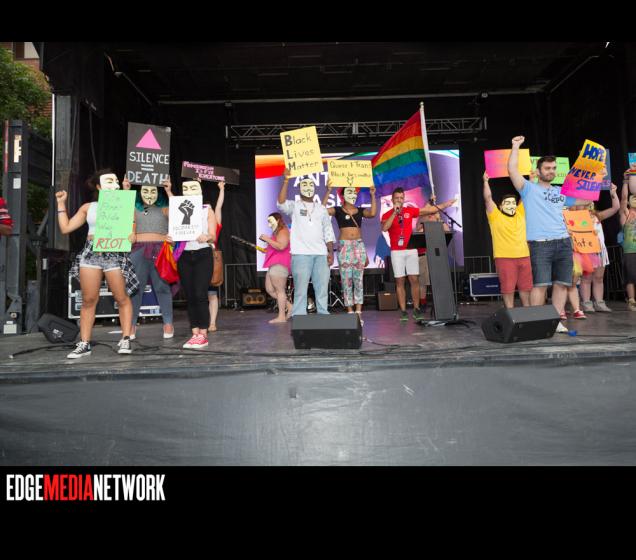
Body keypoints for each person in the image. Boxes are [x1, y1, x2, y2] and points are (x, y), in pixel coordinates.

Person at [56, 170, 138, 358]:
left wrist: (132, 234)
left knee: (121, 297)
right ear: (99, 187)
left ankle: (126, 338)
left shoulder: (125, 205)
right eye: (109, 181)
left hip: (114, 252)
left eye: (115, 181)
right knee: (88, 299)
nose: (114, 184)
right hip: (91, 252)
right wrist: (61, 203)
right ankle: (84, 343)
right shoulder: (88, 207)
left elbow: (132, 228)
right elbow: (65, 228)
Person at [507, 137, 572, 333]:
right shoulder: (528, 189)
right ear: (539, 170)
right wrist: (515, 146)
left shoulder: (561, 191)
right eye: (547, 168)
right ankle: (536, 323)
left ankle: (555, 321)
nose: (551, 171)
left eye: (554, 168)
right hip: (540, 244)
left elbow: (585, 199)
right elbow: (512, 170)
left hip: (564, 242)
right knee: (540, 285)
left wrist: (596, 177)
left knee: (562, 284)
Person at [380, 187, 456, 321]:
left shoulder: (409, 211)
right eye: (397, 198)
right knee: (400, 281)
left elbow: (428, 210)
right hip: (397, 252)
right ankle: (403, 311)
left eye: (401, 198)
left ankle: (416, 309)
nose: (399, 200)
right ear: (392, 200)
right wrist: (394, 213)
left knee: (414, 280)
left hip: (411, 249)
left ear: (404, 199)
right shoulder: (386, 214)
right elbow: (385, 228)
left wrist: (445, 204)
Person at [277, 169, 335, 316]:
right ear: (299, 188)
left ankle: (323, 315)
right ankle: (299, 317)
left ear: (315, 189)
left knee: (322, 289)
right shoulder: (295, 206)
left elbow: (328, 230)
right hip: (301, 254)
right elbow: (281, 203)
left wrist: (330, 252)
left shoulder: (321, 209)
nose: (308, 188)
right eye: (305, 185)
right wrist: (286, 180)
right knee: (301, 290)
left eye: (311, 185)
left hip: (321, 254)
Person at [167, 179, 217, 349]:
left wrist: (207, 236)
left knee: (200, 294)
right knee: (190, 295)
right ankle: (195, 333)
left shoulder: (207, 210)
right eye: (186, 188)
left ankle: (203, 333)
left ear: (200, 190)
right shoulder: (178, 208)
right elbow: (175, 230)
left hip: (203, 254)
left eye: (193, 187)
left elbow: (213, 236)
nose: (189, 191)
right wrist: (171, 239)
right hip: (184, 256)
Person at [322, 181, 377, 323]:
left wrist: (372, 195)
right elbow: (321, 210)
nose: (353, 194)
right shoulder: (338, 210)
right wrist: (328, 191)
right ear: (343, 195)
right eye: (349, 192)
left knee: (358, 280)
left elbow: (372, 213)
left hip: (358, 246)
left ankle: (358, 311)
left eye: (354, 192)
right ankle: (350, 311)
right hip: (344, 247)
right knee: (346, 280)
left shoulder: (360, 210)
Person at [128, 179, 174, 340]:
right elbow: (121, 213)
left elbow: (179, 213)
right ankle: (130, 324)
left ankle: (168, 323)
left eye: (153, 191)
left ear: (158, 192)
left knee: (162, 287)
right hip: (137, 250)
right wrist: (126, 190)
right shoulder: (133, 208)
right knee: (135, 289)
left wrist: (169, 191)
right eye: (145, 191)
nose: (149, 194)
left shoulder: (164, 208)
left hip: (160, 250)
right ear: (139, 192)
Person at [482, 171, 531, 308]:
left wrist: (531, 180)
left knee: (525, 288)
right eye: (507, 203)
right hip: (504, 257)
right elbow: (488, 198)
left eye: (513, 203)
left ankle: (527, 312)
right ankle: (510, 313)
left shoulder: (520, 213)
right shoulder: (495, 216)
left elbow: (527, 195)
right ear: (501, 206)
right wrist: (485, 181)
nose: (511, 205)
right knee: (508, 289)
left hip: (524, 256)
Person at [577, 183, 620, 313]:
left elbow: (615, 208)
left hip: (600, 251)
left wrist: (613, 193)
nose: (589, 203)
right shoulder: (578, 216)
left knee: (599, 278)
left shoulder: (597, 216)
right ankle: (586, 303)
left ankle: (599, 302)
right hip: (586, 251)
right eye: (586, 201)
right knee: (586, 278)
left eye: (591, 202)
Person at [259, 212, 292, 323]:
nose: (269, 223)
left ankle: (281, 317)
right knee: (270, 289)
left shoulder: (283, 231)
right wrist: (266, 249)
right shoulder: (276, 231)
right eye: (268, 221)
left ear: (277, 220)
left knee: (279, 290)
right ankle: (290, 306)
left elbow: (282, 246)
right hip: (273, 263)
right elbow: (275, 246)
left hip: (280, 263)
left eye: (271, 220)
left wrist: (267, 239)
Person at [207, 181, 225, 332]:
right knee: (199, 295)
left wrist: (222, 189)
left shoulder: (215, 223)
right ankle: (201, 323)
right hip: (194, 258)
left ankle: (212, 323)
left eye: (209, 210)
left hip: (211, 260)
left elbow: (219, 207)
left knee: (212, 294)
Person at [619, 175, 636, 311]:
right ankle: (631, 300)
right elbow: (623, 199)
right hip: (630, 249)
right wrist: (625, 182)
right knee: (630, 275)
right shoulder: (626, 213)